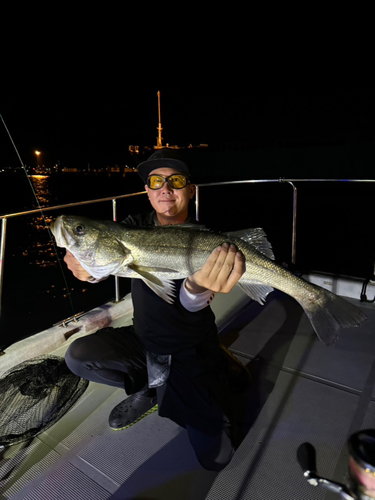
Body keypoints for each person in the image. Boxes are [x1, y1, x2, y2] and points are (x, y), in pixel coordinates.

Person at [64, 149, 248, 471]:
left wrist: (197, 287)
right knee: (78, 356)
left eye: (175, 180)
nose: (166, 188)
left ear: (190, 190)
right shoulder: (134, 227)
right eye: (156, 181)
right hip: (144, 338)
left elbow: (192, 304)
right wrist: (85, 267)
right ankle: (150, 388)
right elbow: (106, 258)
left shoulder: (208, 240)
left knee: (216, 456)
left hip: (189, 346)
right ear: (148, 191)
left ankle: (214, 365)